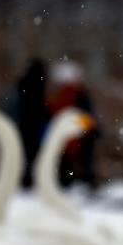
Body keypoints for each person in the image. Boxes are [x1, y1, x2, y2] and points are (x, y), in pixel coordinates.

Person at [48, 61, 100, 189]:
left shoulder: (59, 96)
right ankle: (82, 182)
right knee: (80, 161)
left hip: (71, 135)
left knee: (69, 162)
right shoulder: (77, 95)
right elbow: (86, 115)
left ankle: (70, 182)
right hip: (75, 135)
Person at [15, 59, 50, 188]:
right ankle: (30, 179)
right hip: (34, 124)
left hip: (24, 124)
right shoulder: (38, 83)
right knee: (33, 154)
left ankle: (26, 179)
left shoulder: (23, 82)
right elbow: (40, 105)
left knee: (25, 154)